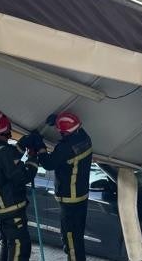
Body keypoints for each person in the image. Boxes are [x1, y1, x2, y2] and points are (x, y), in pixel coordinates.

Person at [0, 111, 39, 261]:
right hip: (12, 209)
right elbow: (23, 176)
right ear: (5, 131)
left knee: (8, 245)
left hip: (0, 209)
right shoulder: (4, 152)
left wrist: (24, 141)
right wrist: (33, 158)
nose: (10, 135)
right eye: (8, 132)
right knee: (20, 248)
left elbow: (8, 159)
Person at [38, 112, 92, 261]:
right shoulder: (86, 139)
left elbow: (48, 163)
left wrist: (40, 147)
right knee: (77, 237)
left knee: (71, 239)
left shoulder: (64, 148)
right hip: (82, 197)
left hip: (69, 200)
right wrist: (58, 121)